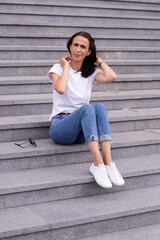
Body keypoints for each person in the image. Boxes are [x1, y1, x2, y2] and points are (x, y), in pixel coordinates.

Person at [48, 31, 124, 188]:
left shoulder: (90, 72)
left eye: (83, 47)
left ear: (89, 51)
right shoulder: (58, 68)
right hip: (60, 127)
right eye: (75, 45)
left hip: (82, 131)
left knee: (100, 107)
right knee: (87, 108)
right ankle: (97, 163)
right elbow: (61, 89)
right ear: (69, 46)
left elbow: (112, 77)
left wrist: (98, 59)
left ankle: (108, 162)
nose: (78, 49)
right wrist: (67, 67)